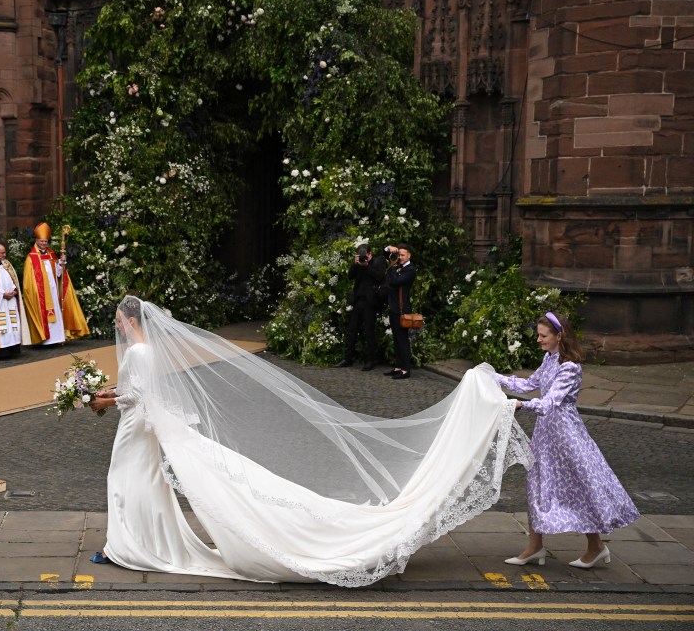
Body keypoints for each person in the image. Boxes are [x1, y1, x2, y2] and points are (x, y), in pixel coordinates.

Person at [87, 295, 531, 586]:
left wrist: (103, 400)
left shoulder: (140, 352)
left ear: (128, 321)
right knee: (138, 484)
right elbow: (143, 394)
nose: (119, 329)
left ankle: (130, 546)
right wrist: (108, 394)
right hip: (145, 428)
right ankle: (131, 544)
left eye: (119, 323)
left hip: (139, 428)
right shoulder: (147, 352)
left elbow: (139, 396)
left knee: (137, 483)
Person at [493, 312, 639, 569]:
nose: (538, 340)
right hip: (546, 434)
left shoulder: (570, 367)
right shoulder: (549, 359)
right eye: (538, 335)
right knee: (537, 484)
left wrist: (519, 405)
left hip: (567, 436)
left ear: (559, 336)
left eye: (543, 335)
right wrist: (493, 378)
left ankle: (596, 547)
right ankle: (535, 547)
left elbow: (550, 403)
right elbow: (529, 384)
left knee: (581, 488)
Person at [334, 244, 387, 371]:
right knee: (352, 330)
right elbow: (350, 276)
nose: (364, 257)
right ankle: (348, 358)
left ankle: (370, 360)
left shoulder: (378, 262)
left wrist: (366, 266)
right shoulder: (358, 264)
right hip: (358, 301)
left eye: (365, 255)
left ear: (370, 254)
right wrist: (355, 264)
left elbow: (380, 277)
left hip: (371, 302)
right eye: (361, 255)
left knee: (369, 331)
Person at [384, 243, 416, 379]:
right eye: (399, 254)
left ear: (409, 255)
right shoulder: (398, 266)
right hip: (394, 307)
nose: (400, 257)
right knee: (396, 339)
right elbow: (385, 252)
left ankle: (406, 370)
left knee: (402, 339)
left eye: (403, 255)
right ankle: (398, 366)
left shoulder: (410, 270)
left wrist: (392, 265)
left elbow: (396, 281)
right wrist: (389, 249)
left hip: (402, 309)